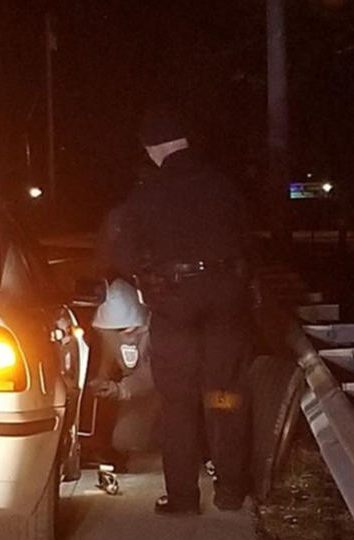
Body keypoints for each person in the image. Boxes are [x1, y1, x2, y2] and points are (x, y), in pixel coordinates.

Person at [98, 105, 254, 515]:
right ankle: (231, 490)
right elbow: (248, 240)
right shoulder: (223, 184)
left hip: (175, 304)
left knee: (179, 401)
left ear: (153, 148)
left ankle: (184, 497)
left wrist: (148, 283)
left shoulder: (147, 192)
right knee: (225, 394)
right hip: (225, 302)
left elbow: (124, 251)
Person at [83, 278, 157, 473]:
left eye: (127, 330)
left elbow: (157, 371)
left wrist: (122, 389)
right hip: (132, 390)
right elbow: (110, 354)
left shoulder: (157, 334)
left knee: (130, 439)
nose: (124, 336)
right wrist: (101, 379)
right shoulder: (110, 335)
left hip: (158, 397)